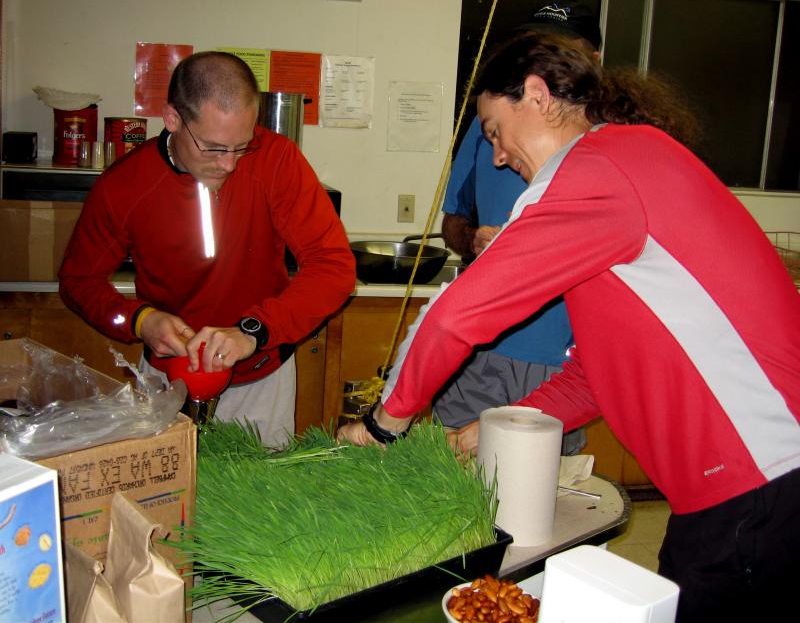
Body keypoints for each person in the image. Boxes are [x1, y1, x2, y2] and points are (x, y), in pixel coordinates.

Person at [339, 33, 800, 621]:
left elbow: (456, 313)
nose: (499, 155)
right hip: (752, 485)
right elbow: (590, 374)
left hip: (757, 486)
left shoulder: (594, 169)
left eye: (493, 131)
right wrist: (487, 430)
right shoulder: (629, 165)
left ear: (536, 96)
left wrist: (383, 425)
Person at [59, 51, 355, 447]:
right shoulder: (125, 186)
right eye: (213, 148)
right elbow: (78, 282)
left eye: (242, 146)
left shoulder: (276, 160)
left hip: (261, 376)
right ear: (173, 120)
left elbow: (334, 269)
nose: (229, 164)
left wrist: (254, 331)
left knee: (260, 503)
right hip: (167, 381)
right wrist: (138, 321)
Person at [436, 0, 601, 455]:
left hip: (562, 361)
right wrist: (471, 240)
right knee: (451, 473)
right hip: (481, 344)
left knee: (539, 491)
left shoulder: (607, 146)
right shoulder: (490, 128)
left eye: (562, 51)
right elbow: (452, 220)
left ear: (593, 62)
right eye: (535, 49)